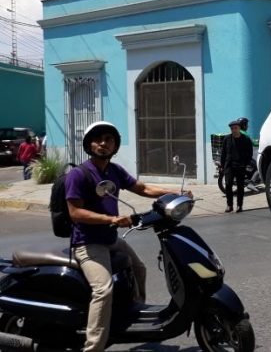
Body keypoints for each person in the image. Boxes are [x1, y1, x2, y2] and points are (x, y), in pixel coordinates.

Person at [66, 121, 192, 352]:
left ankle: (133, 313)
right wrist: (111, 220)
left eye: (109, 139)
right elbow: (75, 213)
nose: (104, 144)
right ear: (89, 144)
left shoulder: (114, 171)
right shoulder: (78, 174)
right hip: (88, 242)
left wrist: (174, 192)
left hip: (110, 238)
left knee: (139, 268)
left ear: (115, 145)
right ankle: (93, 347)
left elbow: (142, 188)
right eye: (99, 139)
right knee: (103, 290)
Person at [222, 119, 253, 213]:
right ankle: (229, 205)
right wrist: (222, 165)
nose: (234, 130)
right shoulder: (227, 139)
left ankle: (239, 205)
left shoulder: (246, 139)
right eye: (232, 128)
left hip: (241, 166)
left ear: (239, 128)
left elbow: (250, 153)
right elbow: (223, 153)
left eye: (235, 128)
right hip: (229, 166)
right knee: (228, 185)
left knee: (240, 187)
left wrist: (246, 164)